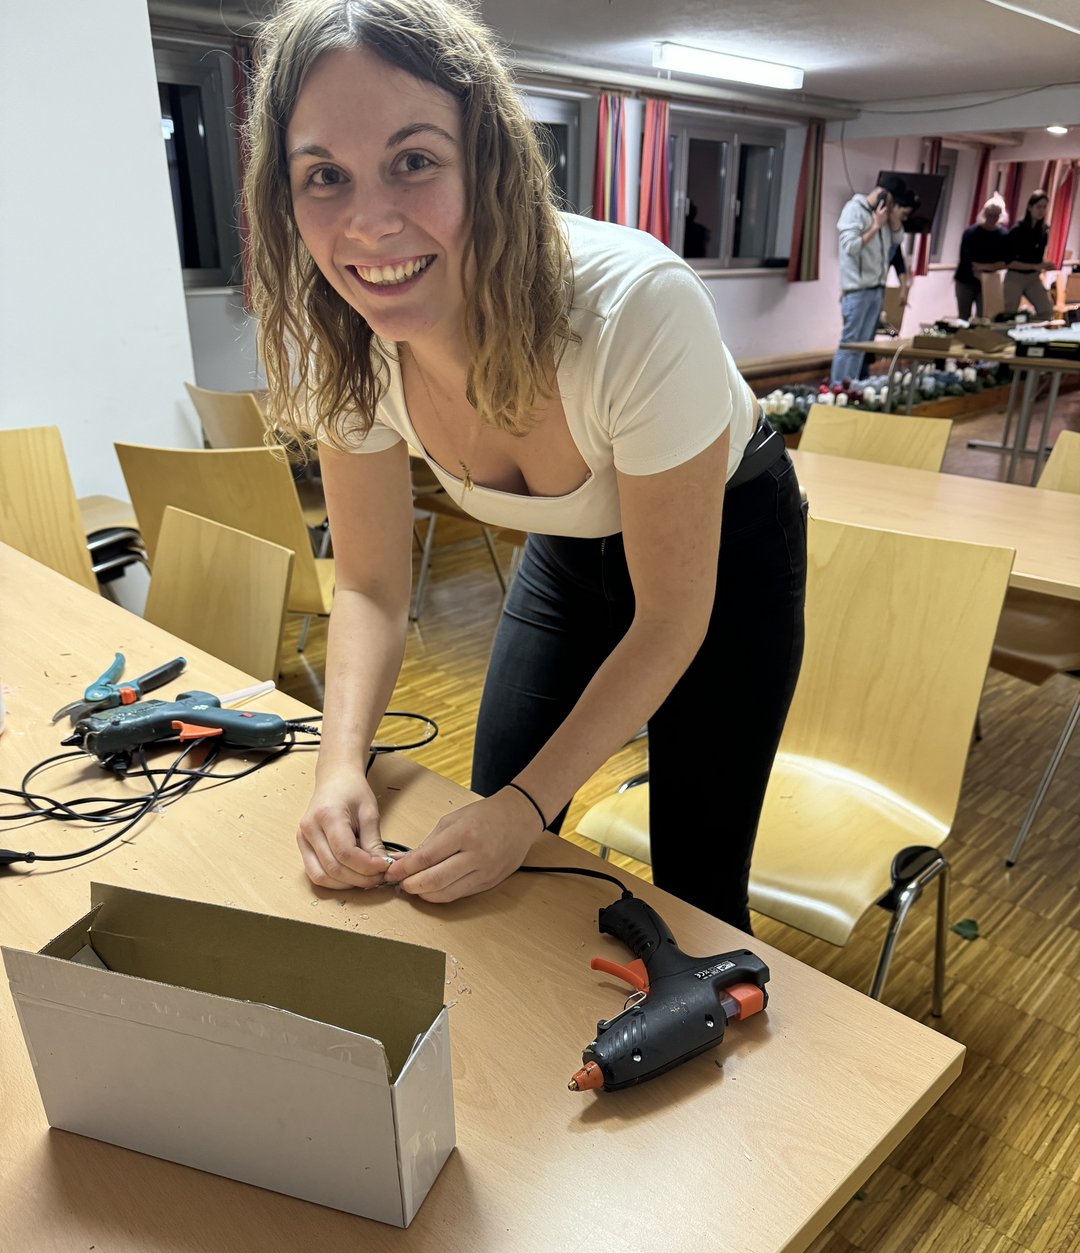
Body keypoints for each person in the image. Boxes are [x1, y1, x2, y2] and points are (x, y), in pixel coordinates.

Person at [244, 0, 807, 931]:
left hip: (726, 549)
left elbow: (671, 617)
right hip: (570, 544)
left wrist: (529, 808)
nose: (369, 225)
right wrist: (339, 764)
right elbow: (372, 586)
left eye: (414, 161)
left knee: (697, 884)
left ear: (487, 159)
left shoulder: (636, 308)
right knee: (491, 815)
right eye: (325, 176)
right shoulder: (344, 330)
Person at [830, 174, 912, 385]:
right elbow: (850, 247)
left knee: (863, 345)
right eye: (894, 201)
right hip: (857, 290)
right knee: (850, 343)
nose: (894, 206)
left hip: (877, 289)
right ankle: (836, 388)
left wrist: (892, 220)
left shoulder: (884, 214)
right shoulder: (854, 210)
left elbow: (898, 240)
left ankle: (851, 386)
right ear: (884, 194)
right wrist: (875, 225)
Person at [954, 200, 1009, 319]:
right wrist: (979, 269)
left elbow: (1006, 261)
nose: (992, 219)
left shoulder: (1004, 235)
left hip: (988, 281)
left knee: (985, 316)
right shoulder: (971, 233)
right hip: (965, 279)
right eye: (990, 215)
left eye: (996, 216)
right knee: (963, 316)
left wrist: (984, 268)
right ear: (985, 214)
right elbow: (966, 258)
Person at [1004, 189, 1053, 321]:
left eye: (1044, 207)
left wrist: (1045, 265)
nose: (1041, 211)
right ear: (1030, 208)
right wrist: (1035, 266)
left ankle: (1028, 327)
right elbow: (1009, 262)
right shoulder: (1017, 231)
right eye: (1038, 207)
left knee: (1046, 309)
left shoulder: (1043, 231)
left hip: (1033, 277)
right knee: (1009, 312)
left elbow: (1037, 258)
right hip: (1015, 276)